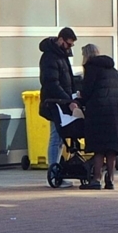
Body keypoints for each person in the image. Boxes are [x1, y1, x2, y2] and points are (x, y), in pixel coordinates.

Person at [79, 44, 118, 190]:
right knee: (111, 148)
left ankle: (96, 179)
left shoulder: (91, 68)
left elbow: (87, 91)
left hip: (98, 110)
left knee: (99, 147)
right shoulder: (112, 69)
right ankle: (110, 179)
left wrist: (79, 98)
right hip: (114, 111)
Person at [39, 27, 79, 188]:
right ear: (61, 40)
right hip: (54, 102)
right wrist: (68, 100)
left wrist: (73, 96)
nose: (69, 48)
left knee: (60, 137)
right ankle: (54, 174)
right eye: (68, 44)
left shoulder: (61, 55)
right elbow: (52, 83)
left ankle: (57, 171)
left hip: (61, 100)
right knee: (56, 137)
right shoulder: (50, 57)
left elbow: (68, 79)